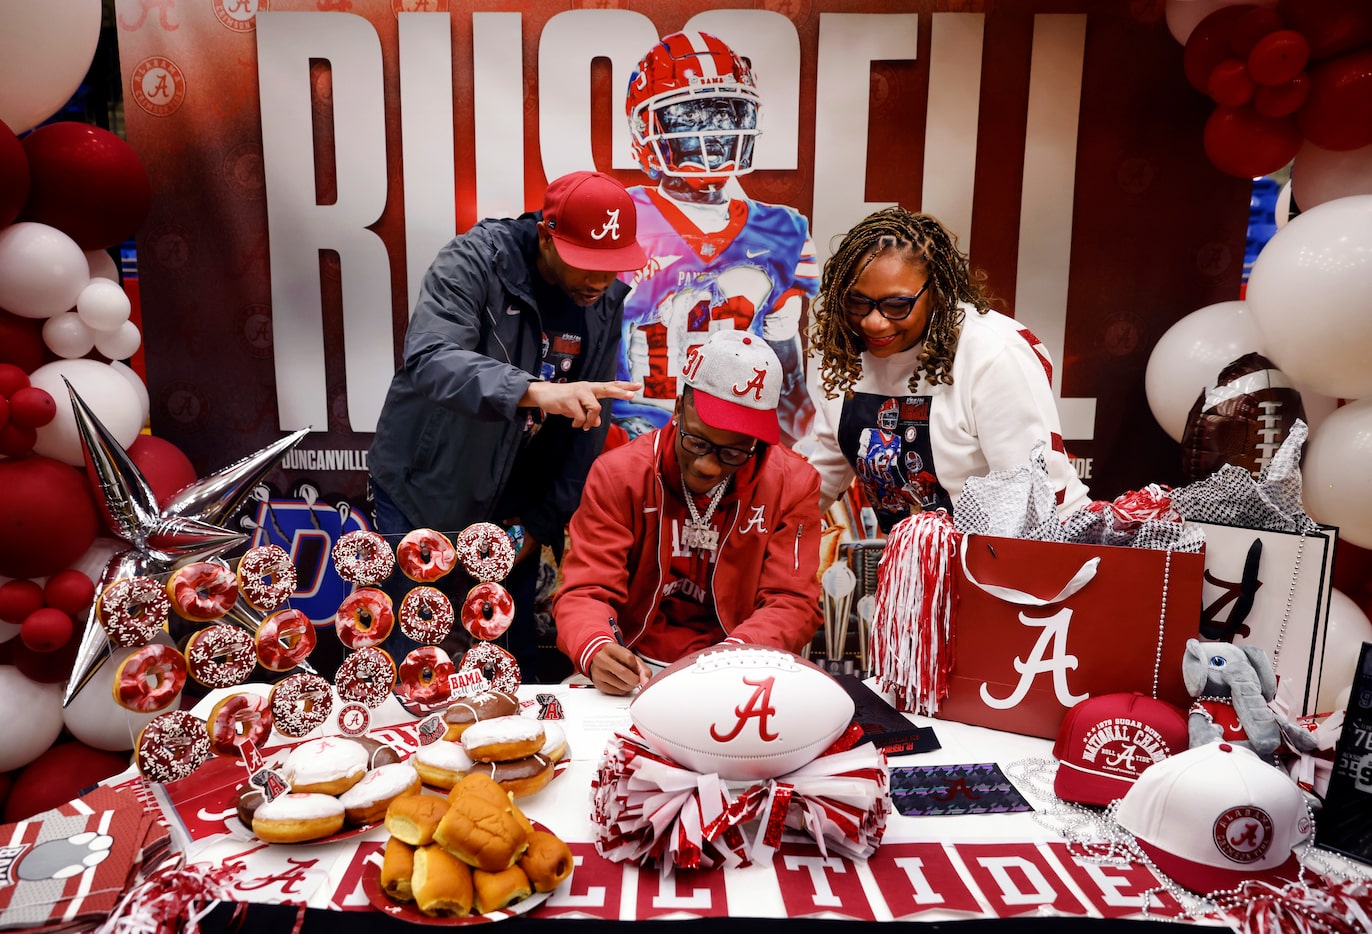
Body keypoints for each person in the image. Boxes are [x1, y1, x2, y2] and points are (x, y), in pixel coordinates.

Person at [367, 170, 648, 680]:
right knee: (418, 667)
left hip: (513, 509)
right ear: (546, 235)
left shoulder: (603, 299)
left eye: (612, 267)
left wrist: (541, 524)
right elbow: (429, 358)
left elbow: (587, 423)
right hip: (424, 492)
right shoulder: (475, 261)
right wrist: (531, 390)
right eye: (586, 264)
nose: (600, 281)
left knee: (504, 673)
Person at [554, 330, 823, 695]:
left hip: (741, 665)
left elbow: (791, 602)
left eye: (733, 453)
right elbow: (586, 589)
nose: (709, 467)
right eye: (697, 441)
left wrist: (732, 659)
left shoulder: (793, 482)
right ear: (679, 409)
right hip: (634, 664)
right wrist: (596, 646)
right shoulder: (620, 474)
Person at [804, 207, 1090, 532]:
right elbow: (820, 482)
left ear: (937, 293)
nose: (872, 321)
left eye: (897, 305)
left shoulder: (992, 353)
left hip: (1013, 566)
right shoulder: (848, 353)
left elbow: (1038, 508)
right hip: (919, 568)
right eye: (856, 302)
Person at [612, 30, 819, 446]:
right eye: (690, 119)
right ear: (645, 128)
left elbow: (786, 370)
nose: (713, 135)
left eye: (726, 115)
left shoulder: (784, 232)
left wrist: (798, 441)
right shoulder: (619, 217)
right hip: (633, 439)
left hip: (737, 440)